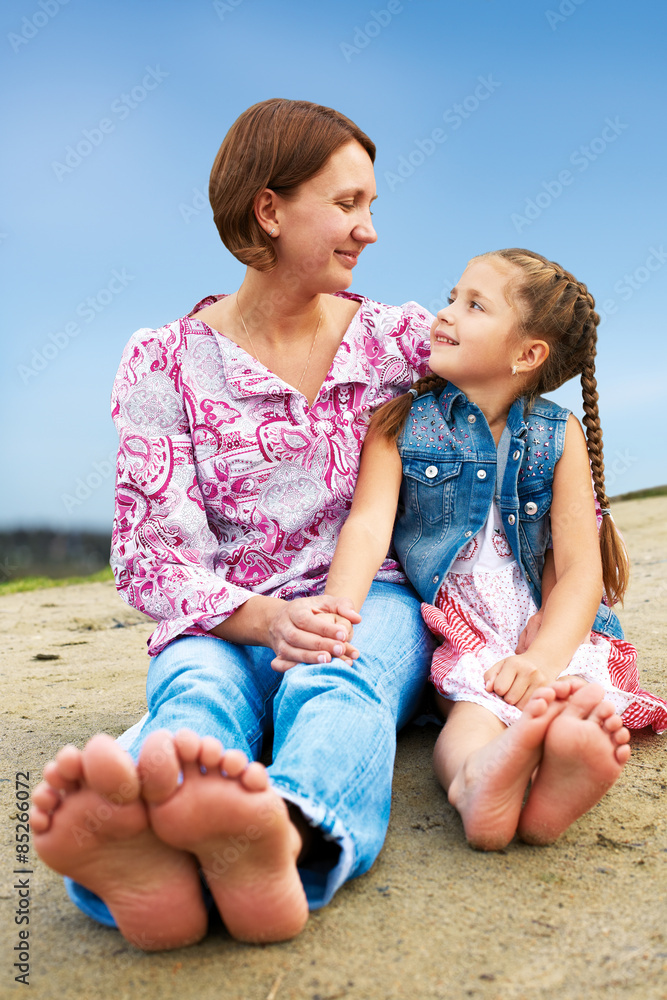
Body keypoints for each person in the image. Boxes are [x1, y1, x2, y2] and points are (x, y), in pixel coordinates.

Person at [28, 99, 438, 951]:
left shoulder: (397, 341)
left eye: (371, 204)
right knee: (199, 691)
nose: (369, 231)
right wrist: (264, 619)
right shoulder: (165, 361)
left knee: (338, 682)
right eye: (349, 204)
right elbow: (151, 556)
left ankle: (286, 834)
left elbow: (508, 399)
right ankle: (156, 866)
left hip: (361, 601)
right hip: (221, 613)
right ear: (269, 209)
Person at [321, 247, 667, 852]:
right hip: (464, 621)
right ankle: (478, 783)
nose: (445, 313)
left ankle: (553, 773)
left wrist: (545, 658)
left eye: (473, 304)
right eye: (452, 296)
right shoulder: (400, 423)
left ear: (527, 354)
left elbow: (582, 571)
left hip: (548, 623)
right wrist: (337, 614)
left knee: (565, 700)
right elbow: (368, 527)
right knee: (470, 717)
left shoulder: (559, 437)